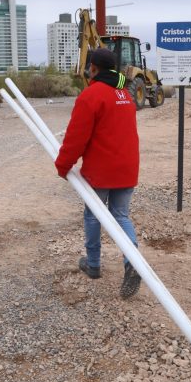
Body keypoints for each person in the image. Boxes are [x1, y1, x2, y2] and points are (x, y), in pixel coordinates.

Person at [54, 48, 142, 300]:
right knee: (120, 215)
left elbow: (76, 138)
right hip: (127, 167)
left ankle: (93, 264)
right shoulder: (125, 93)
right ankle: (131, 261)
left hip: (102, 171)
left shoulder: (90, 96)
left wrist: (63, 165)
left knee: (93, 215)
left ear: (93, 67)